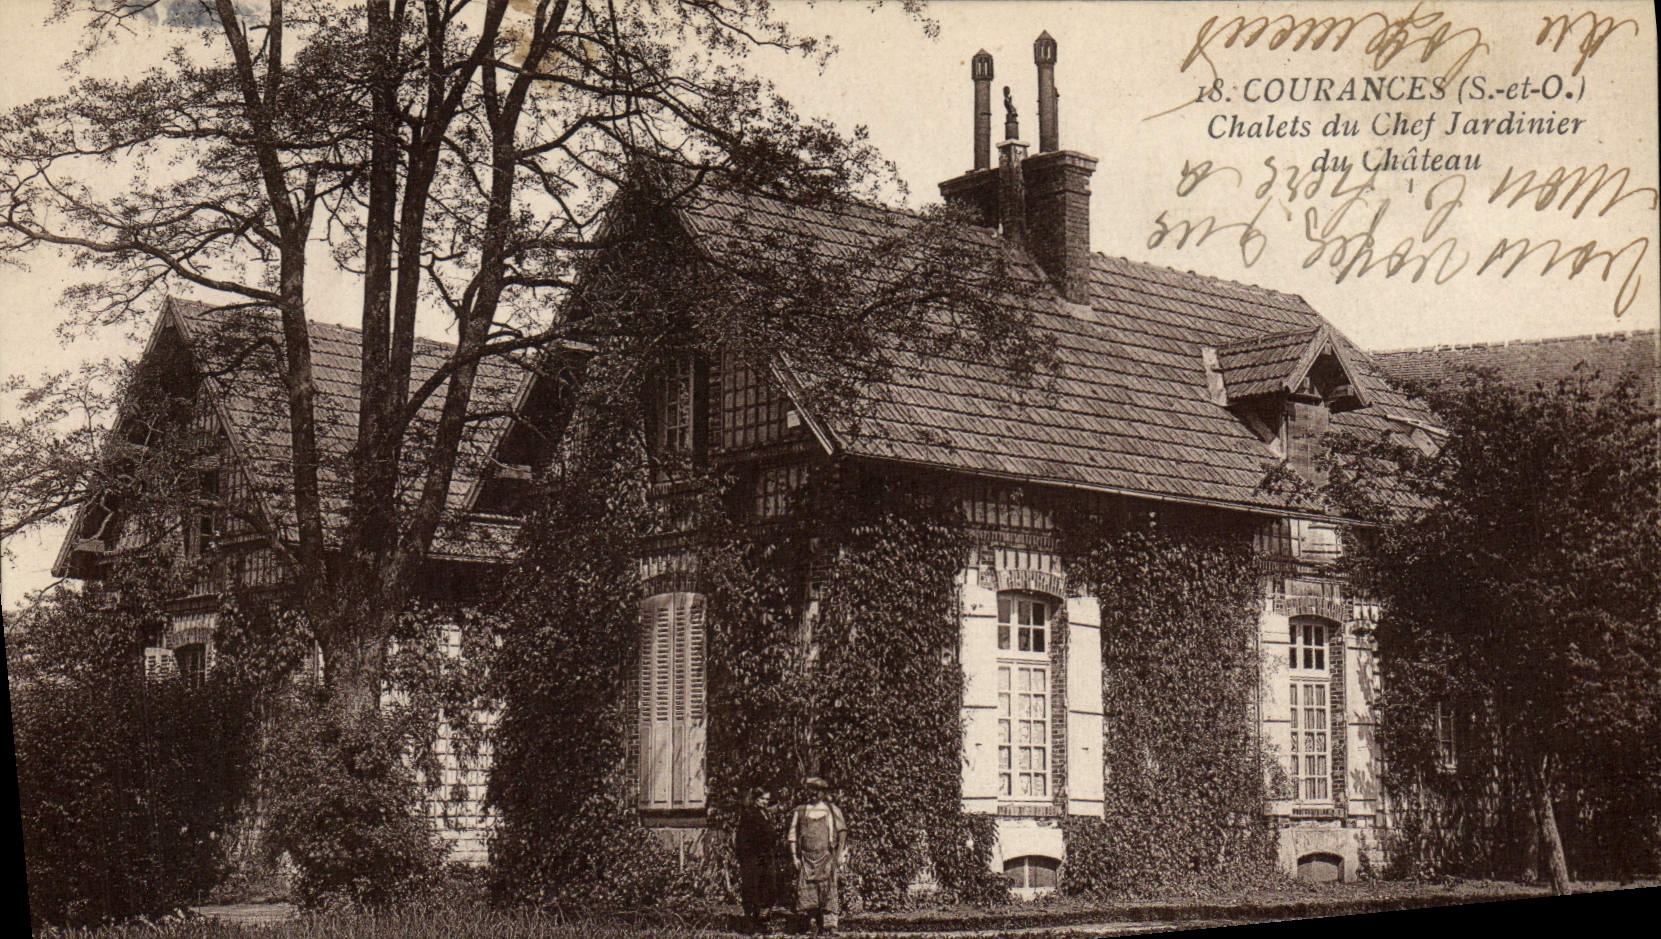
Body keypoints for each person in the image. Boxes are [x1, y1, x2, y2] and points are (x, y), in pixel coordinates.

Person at [788, 776, 847, 938]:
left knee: (828, 889)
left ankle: (830, 924)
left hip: (826, 857)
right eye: (810, 792)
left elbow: (842, 833)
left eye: (817, 792)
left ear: (823, 793)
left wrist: (840, 854)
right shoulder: (800, 811)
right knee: (809, 891)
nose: (813, 795)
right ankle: (812, 922)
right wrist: (795, 856)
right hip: (807, 859)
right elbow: (792, 835)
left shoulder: (831, 810)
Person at [734, 788, 778, 932]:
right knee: (752, 890)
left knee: (767, 889)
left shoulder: (765, 814)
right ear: (755, 799)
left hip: (765, 857)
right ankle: (750, 925)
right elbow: (742, 839)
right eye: (762, 799)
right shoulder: (749, 814)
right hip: (752, 858)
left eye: (767, 800)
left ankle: (761, 922)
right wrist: (747, 857)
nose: (765, 802)